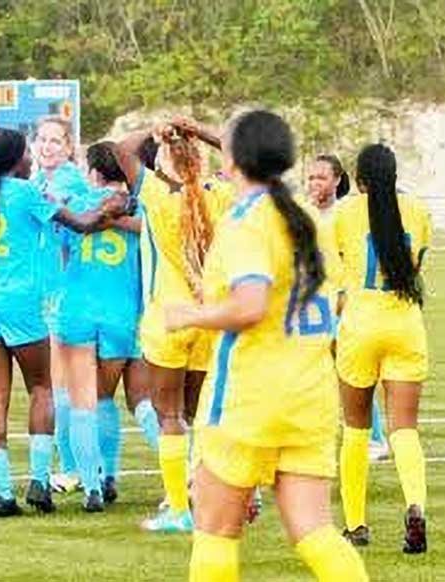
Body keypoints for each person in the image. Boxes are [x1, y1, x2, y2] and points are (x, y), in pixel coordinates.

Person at [166, 110, 368, 581]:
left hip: (249, 395)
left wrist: (190, 314)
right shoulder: (308, 220)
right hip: (310, 394)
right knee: (315, 531)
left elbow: (250, 304)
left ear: (232, 160)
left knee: (214, 532)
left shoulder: (245, 223)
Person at [0, 128, 128, 518]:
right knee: (41, 387)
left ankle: (1, 492)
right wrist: (113, 209)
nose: (31, 158)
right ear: (15, 160)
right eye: (26, 153)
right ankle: (38, 481)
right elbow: (83, 224)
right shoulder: (24, 193)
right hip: (18, 302)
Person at [115, 119, 234, 533]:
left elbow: (122, 149)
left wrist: (157, 129)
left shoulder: (156, 194)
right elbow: (241, 155)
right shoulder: (219, 194)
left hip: (167, 316)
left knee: (168, 414)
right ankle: (207, 495)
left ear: (164, 162)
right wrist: (198, 130)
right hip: (209, 317)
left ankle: (180, 508)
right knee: (201, 415)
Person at [52, 141, 161, 511]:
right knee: (124, 398)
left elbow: (64, 251)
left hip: (77, 310)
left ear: (93, 171)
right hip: (123, 313)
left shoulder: (79, 204)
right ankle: (111, 474)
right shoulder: (143, 208)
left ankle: (93, 487)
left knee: (86, 400)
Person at [336, 143, 432, 554]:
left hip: (360, 325)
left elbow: (341, 270)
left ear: (359, 180)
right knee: (405, 429)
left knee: (356, 429)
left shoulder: (345, 213)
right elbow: (416, 267)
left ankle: (356, 524)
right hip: (406, 323)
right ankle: (415, 505)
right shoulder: (420, 211)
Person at [308, 154, 389, 461]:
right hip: (314, 304)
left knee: (351, 374)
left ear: (337, 181)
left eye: (321, 177)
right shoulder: (304, 214)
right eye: (311, 177)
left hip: (344, 302)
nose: (315, 183)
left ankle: (375, 439)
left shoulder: (348, 213)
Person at [30, 116, 91, 494]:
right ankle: (78, 467)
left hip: (64, 291)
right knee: (57, 383)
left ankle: (73, 468)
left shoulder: (67, 183)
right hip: (43, 289)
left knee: (62, 383)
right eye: (42, 139)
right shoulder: (37, 182)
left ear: (69, 148)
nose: (47, 146)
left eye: (56, 141)